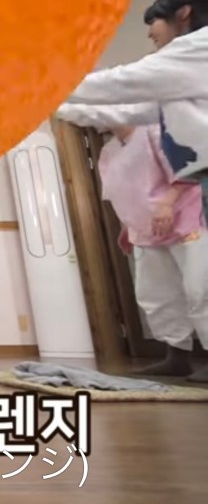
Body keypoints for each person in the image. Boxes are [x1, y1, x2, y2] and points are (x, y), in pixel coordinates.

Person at [57, 0, 208, 191]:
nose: (149, 33)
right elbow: (129, 110)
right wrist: (53, 107)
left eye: (153, 21)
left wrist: (42, 91)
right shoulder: (188, 76)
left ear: (184, 13)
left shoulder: (198, 47)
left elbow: (121, 82)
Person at [91, 125, 208, 382]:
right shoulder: (109, 152)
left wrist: (166, 203)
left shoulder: (157, 133)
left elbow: (189, 170)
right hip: (147, 232)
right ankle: (177, 358)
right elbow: (121, 194)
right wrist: (128, 227)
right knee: (156, 294)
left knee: (200, 289)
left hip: (189, 222)